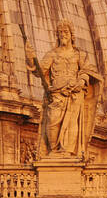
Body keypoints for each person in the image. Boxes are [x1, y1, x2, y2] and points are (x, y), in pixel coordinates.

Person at [24, 19, 101, 158]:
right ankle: (53, 151)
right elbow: (39, 71)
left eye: (65, 32)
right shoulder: (52, 54)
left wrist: (81, 80)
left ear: (71, 35)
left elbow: (87, 71)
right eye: (60, 32)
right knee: (52, 123)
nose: (63, 35)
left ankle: (66, 152)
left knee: (72, 125)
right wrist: (31, 58)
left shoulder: (79, 55)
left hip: (74, 95)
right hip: (56, 95)